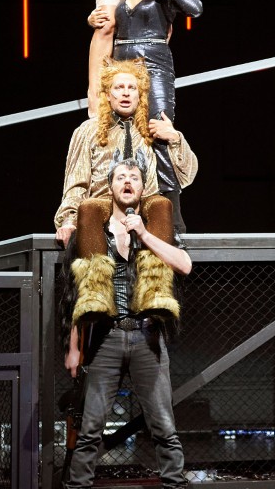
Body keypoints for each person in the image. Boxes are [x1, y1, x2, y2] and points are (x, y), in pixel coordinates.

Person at [60, 156, 191, 489]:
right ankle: (77, 486)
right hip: (107, 337)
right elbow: (78, 294)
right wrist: (73, 347)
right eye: (120, 177)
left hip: (147, 336)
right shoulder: (95, 232)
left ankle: (174, 484)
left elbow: (184, 265)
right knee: (90, 428)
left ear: (143, 187)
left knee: (164, 426)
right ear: (110, 187)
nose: (128, 181)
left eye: (134, 177)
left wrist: (144, 234)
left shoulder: (154, 229)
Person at [88, 0, 201, 236]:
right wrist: (92, 18)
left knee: (159, 131)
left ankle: (172, 219)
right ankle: (119, 212)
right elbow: (108, 19)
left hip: (155, 64)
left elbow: (196, 8)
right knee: (120, 134)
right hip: (123, 65)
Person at [54, 55, 197, 256]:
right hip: (104, 203)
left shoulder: (152, 128)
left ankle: (155, 274)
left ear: (140, 95)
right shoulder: (88, 130)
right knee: (89, 207)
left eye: (132, 88)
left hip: (143, 202)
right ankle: (96, 275)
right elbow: (76, 183)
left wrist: (175, 138)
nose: (126, 93)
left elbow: (187, 176)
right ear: (108, 94)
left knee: (162, 204)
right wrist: (68, 220)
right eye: (119, 87)